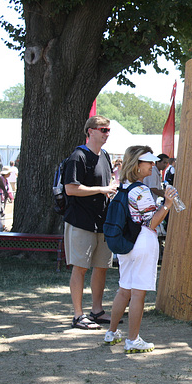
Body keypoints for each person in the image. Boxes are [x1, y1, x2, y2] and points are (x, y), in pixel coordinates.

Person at [104, 146, 177, 353]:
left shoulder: (124, 186)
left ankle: (112, 332)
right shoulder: (141, 190)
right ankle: (133, 339)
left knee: (124, 289)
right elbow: (152, 223)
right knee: (138, 293)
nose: (153, 166)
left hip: (126, 241)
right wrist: (168, 204)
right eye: (149, 162)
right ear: (137, 165)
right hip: (142, 240)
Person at [63, 115, 119, 330]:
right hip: (81, 222)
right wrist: (102, 189)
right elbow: (71, 188)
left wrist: (111, 188)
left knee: (101, 267)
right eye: (103, 130)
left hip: (102, 222)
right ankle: (78, 316)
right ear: (90, 131)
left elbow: (108, 182)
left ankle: (97, 311)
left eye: (108, 130)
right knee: (80, 268)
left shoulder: (104, 155)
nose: (107, 133)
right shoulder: (78, 156)